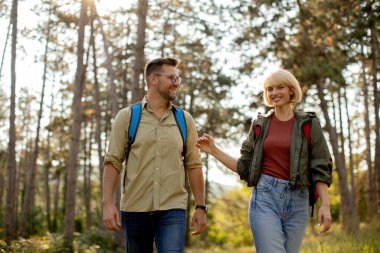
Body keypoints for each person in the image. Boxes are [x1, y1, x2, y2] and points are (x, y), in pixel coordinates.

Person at [196, 69, 332, 253]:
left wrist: (325, 204)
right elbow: (244, 167)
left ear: (291, 90)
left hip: (299, 200)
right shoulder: (260, 125)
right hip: (265, 197)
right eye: (269, 89)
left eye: (280, 87)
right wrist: (213, 150)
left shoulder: (308, 123)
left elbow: (320, 165)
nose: (274, 93)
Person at [102, 57, 207, 253]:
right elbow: (112, 161)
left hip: (172, 209)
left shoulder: (185, 120)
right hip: (134, 209)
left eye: (178, 79)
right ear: (153, 79)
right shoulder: (127, 117)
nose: (177, 83)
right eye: (172, 78)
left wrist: (200, 206)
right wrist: (107, 203)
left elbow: (194, 165)